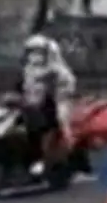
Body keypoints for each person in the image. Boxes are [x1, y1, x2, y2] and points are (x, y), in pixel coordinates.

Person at [21, 32, 77, 176]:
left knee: (60, 118)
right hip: (32, 105)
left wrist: (53, 94)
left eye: (38, 51)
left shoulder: (57, 70)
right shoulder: (28, 69)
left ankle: (64, 147)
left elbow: (64, 87)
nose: (34, 55)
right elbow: (23, 87)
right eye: (31, 51)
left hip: (55, 101)